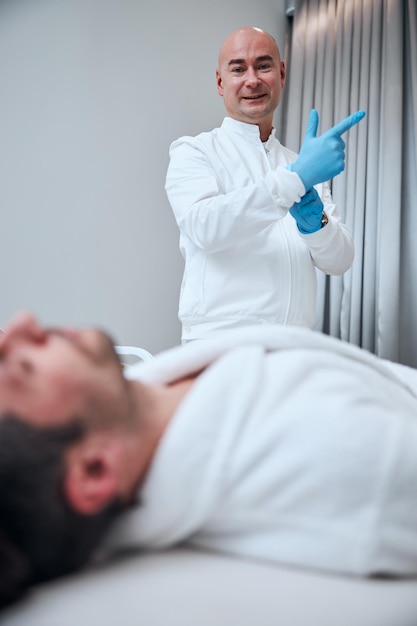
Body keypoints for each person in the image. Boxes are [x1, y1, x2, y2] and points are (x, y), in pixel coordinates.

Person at [2, 311, 417, 608]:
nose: (22, 323)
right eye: (14, 366)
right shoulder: (344, 459)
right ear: (94, 472)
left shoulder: (147, 398)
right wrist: (283, 184)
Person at [165, 26, 366, 342]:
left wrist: (318, 227)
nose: (252, 79)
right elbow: (204, 226)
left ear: (281, 74)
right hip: (221, 344)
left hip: (295, 346)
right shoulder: (194, 151)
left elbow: (339, 261)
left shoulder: (297, 162)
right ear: (220, 82)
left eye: (263, 65)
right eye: (238, 69)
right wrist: (293, 179)